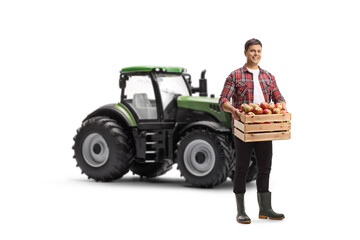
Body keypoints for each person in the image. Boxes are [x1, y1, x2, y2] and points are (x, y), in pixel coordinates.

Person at [218, 38, 286, 224]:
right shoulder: (235, 76)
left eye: (258, 51)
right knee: (242, 168)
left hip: (264, 127)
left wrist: (281, 106)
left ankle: (265, 208)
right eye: (252, 51)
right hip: (244, 128)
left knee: (265, 167)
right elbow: (223, 100)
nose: (256, 54)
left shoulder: (268, 77)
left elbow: (279, 97)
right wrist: (234, 111)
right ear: (245, 53)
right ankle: (241, 211)